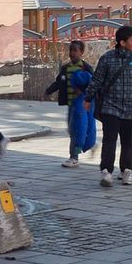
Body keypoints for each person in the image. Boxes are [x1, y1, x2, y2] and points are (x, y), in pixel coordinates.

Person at [84, 26, 132, 187]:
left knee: (128, 142)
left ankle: (127, 171)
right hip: (110, 107)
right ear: (122, 42)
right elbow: (97, 80)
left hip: (131, 108)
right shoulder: (107, 58)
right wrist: (88, 98)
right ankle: (106, 171)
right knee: (109, 140)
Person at [45, 40, 94, 168]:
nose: (72, 53)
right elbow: (58, 82)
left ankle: (74, 156)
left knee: (75, 130)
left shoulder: (86, 68)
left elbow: (94, 84)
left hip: (82, 106)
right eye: (70, 50)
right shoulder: (65, 68)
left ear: (82, 52)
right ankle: (87, 145)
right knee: (71, 130)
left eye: (75, 50)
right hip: (71, 104)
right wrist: (49, 90)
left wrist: (83, 92)